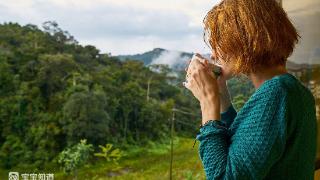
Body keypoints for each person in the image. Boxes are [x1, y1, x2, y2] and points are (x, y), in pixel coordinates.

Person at [183, 0, 318, 179]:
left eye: (219, 44)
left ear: (242, 40)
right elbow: (242, 145)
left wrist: (208, 101)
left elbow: (224, 176)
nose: (214, 55)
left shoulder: (277, 93)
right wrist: (220, 93)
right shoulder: (294, 90)